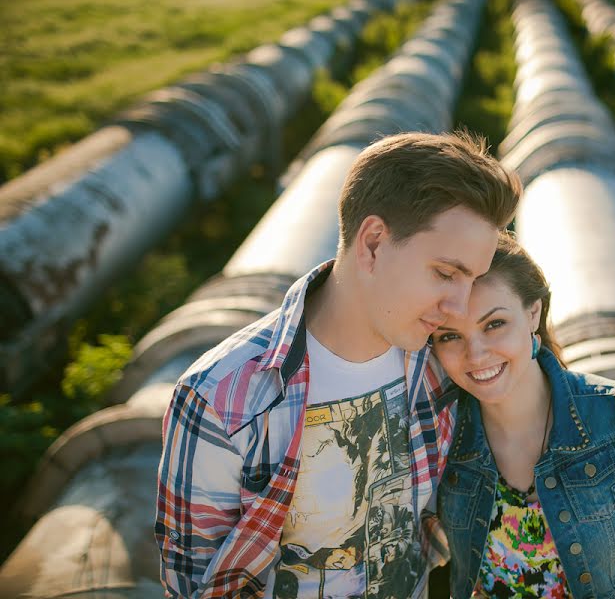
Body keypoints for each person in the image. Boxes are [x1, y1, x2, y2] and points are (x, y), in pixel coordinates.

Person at [155, 131, 521, 598]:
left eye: (472, 280)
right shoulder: (221, 397)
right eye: (446, 274)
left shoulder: (441, 363)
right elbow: (194, 587)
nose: (458, 305)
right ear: (372, 243)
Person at [430, 234, 615, 599]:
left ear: (533, 312)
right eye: (450, 336)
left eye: (494, 324)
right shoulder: (441, 433)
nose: (476, 354)